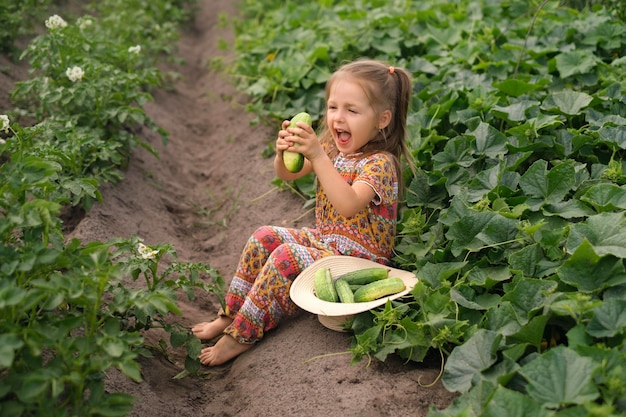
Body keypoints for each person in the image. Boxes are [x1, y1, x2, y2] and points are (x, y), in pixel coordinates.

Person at [191, 58, 413, 366]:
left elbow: (348, 204)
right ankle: (230, 314)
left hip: (357, 260)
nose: (338, 117)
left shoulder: (380, 164)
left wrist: (319, 155)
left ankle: (240, 335)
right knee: (263, 237)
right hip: (327, 244)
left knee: (286, 257)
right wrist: (285, 152)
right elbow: (287, 175)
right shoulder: (334, 149)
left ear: (382, 119)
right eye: (333, 107)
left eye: (352, 110)